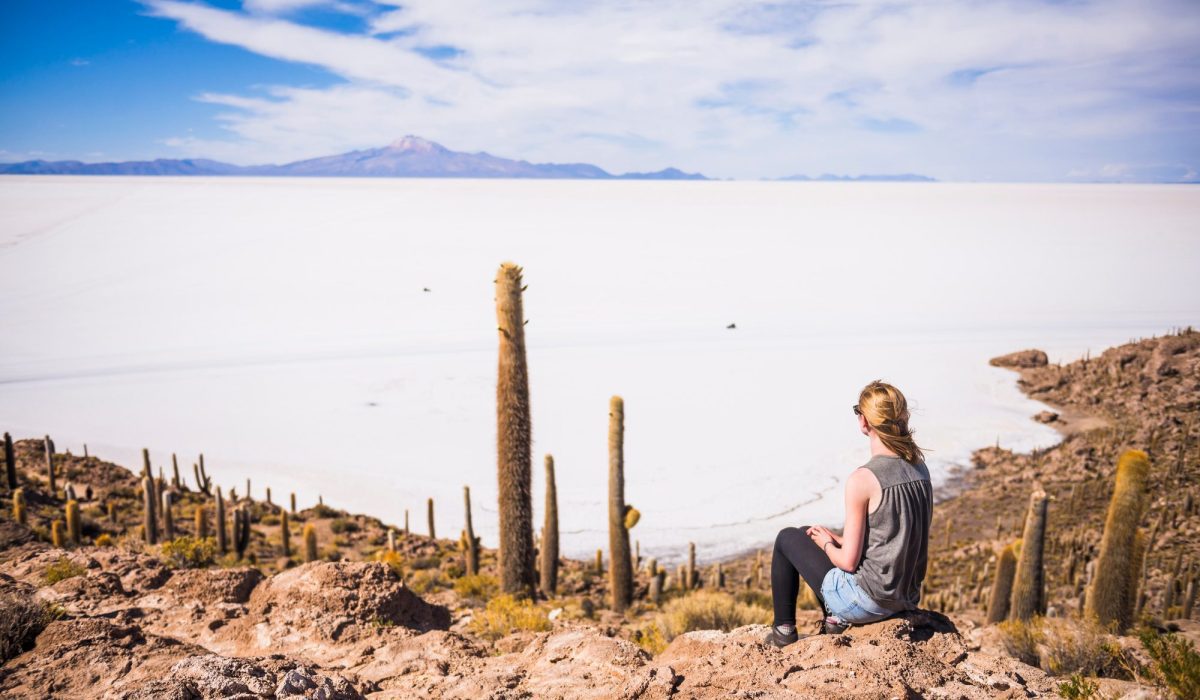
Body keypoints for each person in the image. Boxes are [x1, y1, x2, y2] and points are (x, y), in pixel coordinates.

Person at [764, 380, 933, 647]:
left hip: (869, 602)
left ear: (864, 421)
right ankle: (834, 622)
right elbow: (895, 536)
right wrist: (840, 539)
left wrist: (829, 545)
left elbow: (848, 563)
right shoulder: (919, 468)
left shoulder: (863, 479)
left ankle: (783, 632)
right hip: (904, 596)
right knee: (805, 534)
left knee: (787, 538)